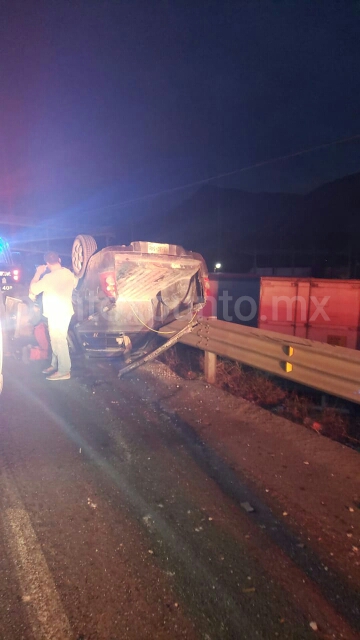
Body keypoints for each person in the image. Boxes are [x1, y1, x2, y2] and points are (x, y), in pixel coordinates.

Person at [29, 251, 77, 380]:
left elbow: (33, 289)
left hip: (57, 313)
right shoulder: (68, 273)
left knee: (59, 341)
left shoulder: (48, 278)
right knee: (55, 340)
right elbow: (75, 285)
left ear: (47, 264)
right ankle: (55, 365)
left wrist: (38, 273)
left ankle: (64, 371)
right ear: (59, 259)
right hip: (64, 311)